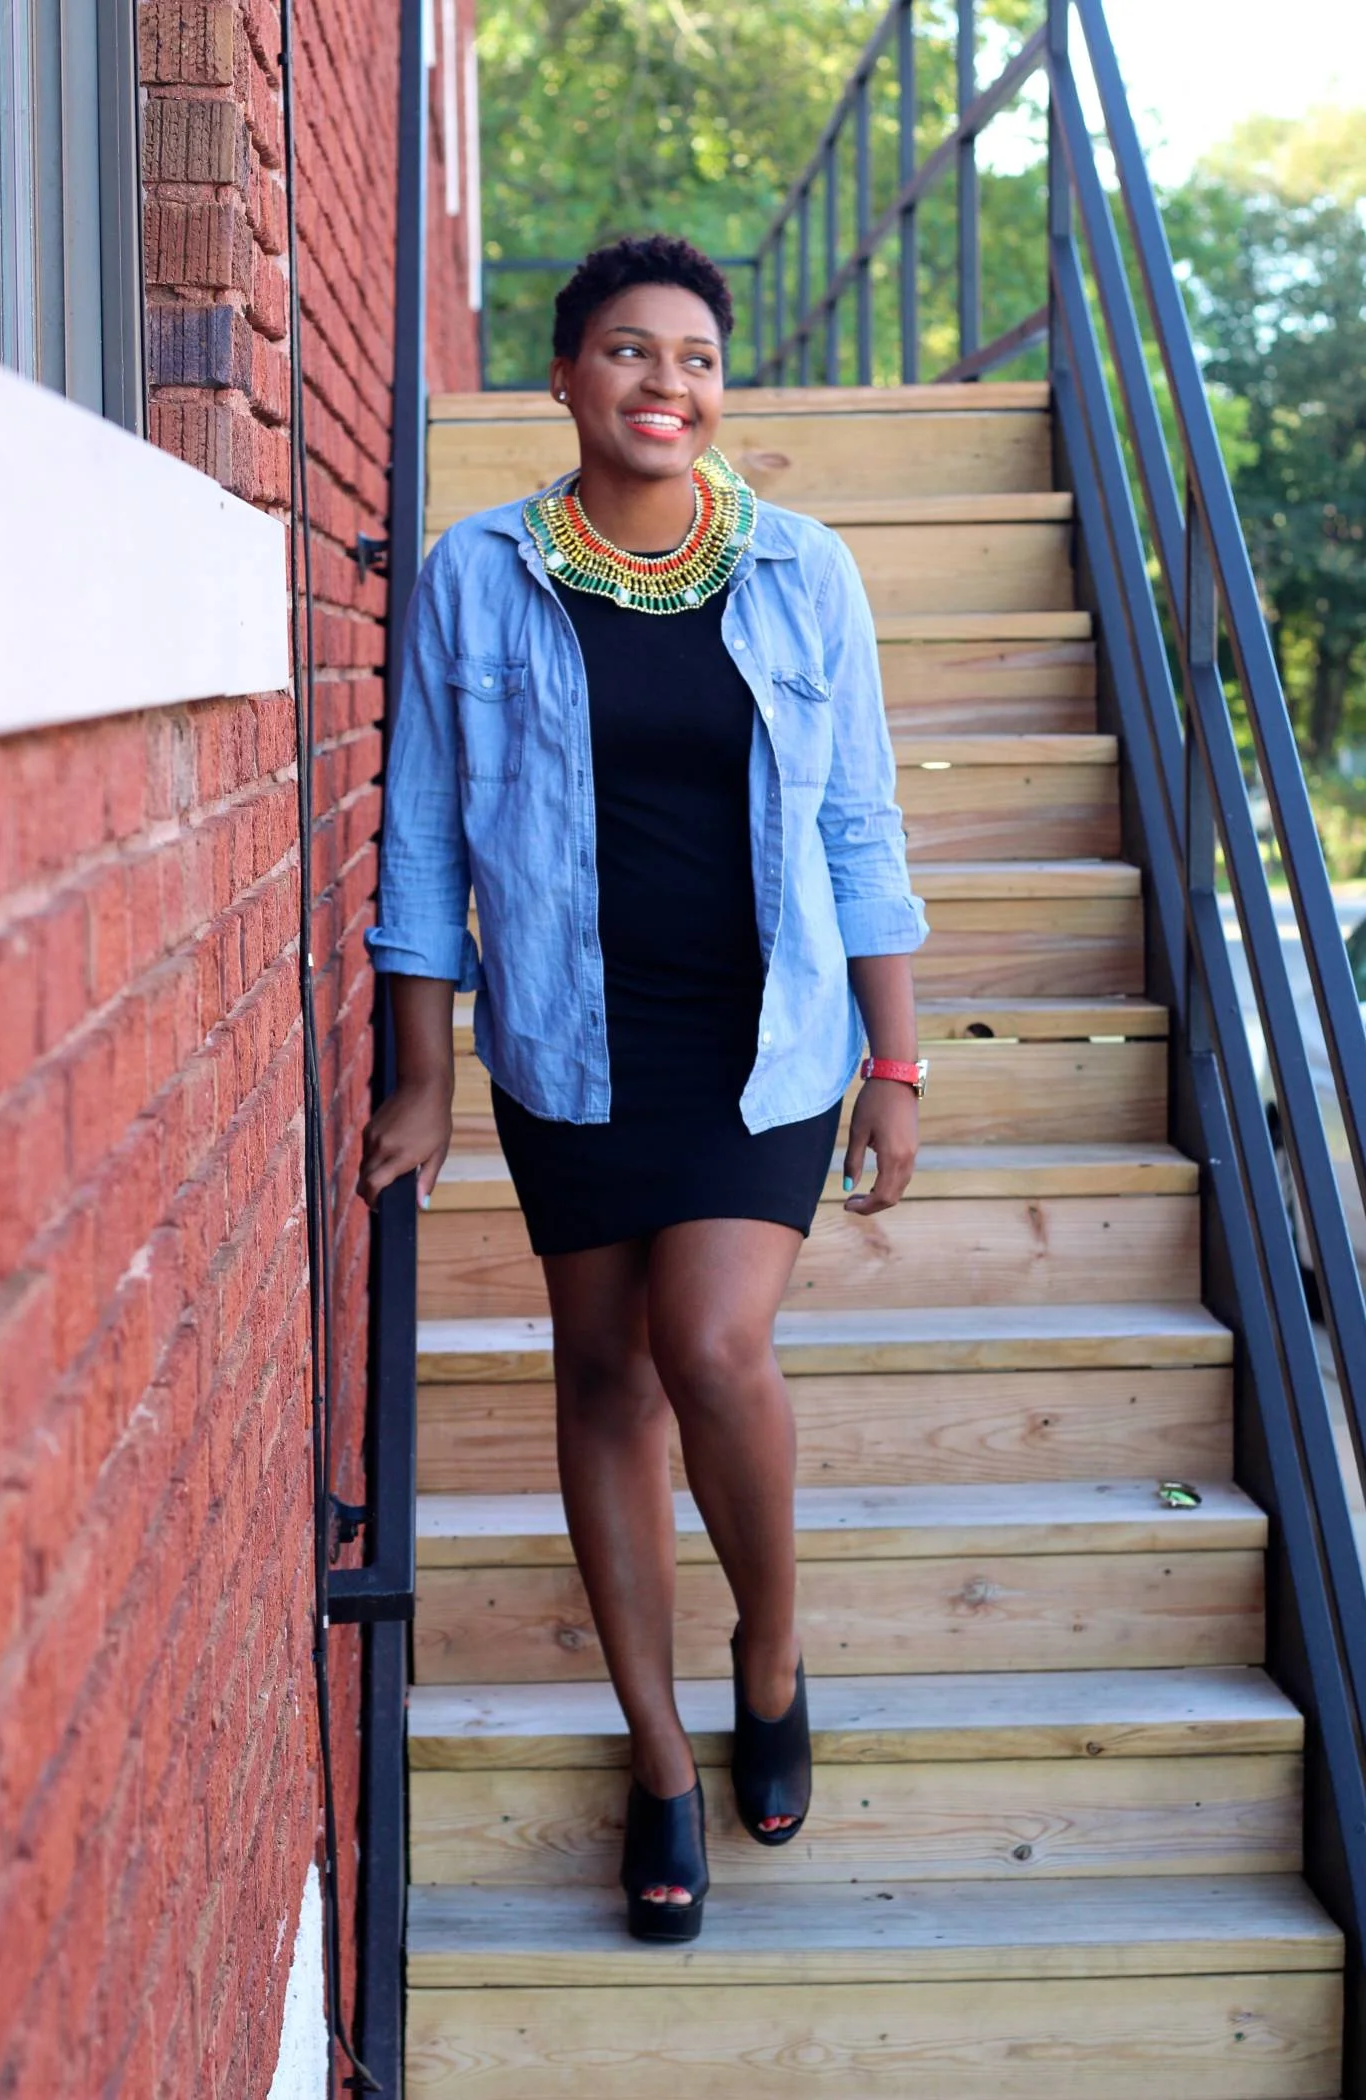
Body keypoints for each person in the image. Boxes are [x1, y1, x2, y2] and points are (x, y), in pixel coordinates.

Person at [358, 234, 928, 1942]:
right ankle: (662, 1755)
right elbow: (424, 835)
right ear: (565, 379)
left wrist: (895, 1060)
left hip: (768, 1034)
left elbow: (861, 822)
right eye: (626, 350)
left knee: (710, 1343)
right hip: (571, 1035)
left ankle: (771, 1649)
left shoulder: (805, 570)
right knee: (603, 1374)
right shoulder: (478, 574)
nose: (663, 382)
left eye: (693, 356)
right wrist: (424, 1072)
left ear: (717, 389)